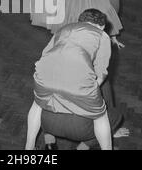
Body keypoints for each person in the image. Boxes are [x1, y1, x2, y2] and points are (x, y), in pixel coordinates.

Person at [25, 9, 129, 150]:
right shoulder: (102, 36)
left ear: (80, 21)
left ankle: (28, 147)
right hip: (79, 82)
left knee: (37, 104)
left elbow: (45, 54)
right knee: (101, 116)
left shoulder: (63, 29)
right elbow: (102, 72)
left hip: (43, 73)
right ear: (102, 26)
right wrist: (90, 91)